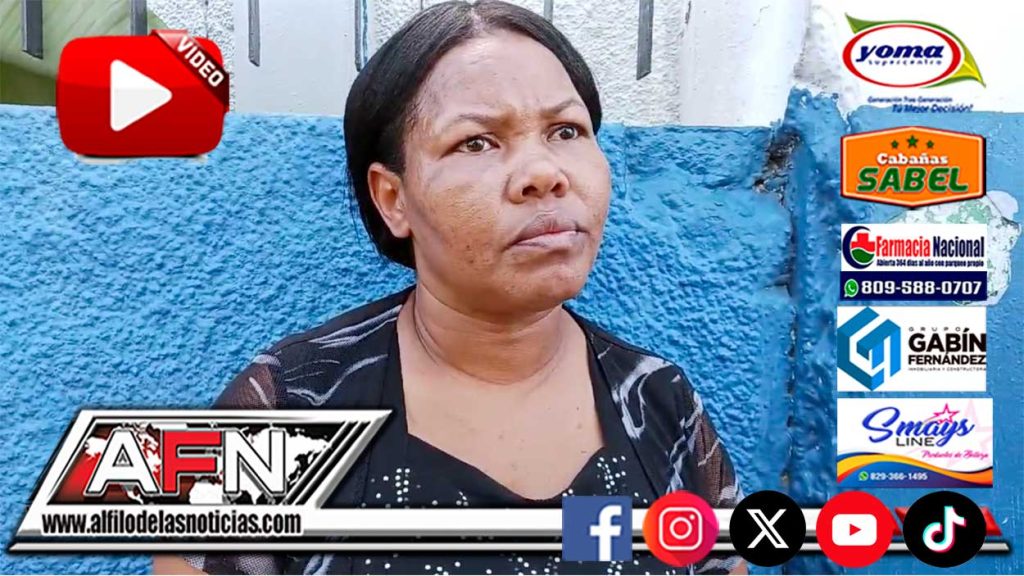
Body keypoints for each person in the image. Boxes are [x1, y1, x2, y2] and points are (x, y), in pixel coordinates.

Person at [155, 1, 745, 574]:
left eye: (566, 131)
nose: (544, 173)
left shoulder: (661, 404)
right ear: (394, 198)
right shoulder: (287, 408)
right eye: (476, 142)